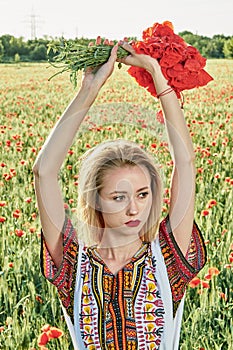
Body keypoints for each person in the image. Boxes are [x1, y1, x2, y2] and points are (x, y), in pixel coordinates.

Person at [33, 43, 207, 350]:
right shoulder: (73, 264)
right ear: (96, 200)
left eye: (142, 194)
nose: (134, 208)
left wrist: (157, 73)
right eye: (118, 197)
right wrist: (89, 88)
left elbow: (186, 164)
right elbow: (44, 173)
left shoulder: (167, 257)